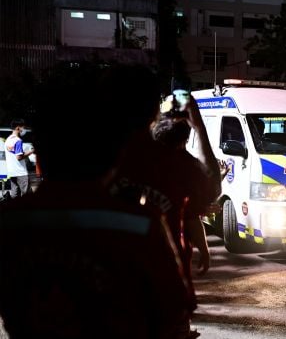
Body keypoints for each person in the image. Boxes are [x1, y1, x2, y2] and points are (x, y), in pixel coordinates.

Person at [0, 64, 192, 339]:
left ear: (39, 157)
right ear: (114, 156)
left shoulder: (8, 223)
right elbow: (172, 313)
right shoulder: (140, 226)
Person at [111, 90, 221, 331]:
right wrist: (198, 124)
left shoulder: (105, 157)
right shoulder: (175, 163)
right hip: (163, 289)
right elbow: (211, 186)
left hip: (106, 288)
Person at [151, 97, 226, 291]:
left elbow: (191, 215)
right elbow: (212, 187)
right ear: (184, 140)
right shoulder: (184, 168)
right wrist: (199, 127)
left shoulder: (129, 161)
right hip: (167, 275)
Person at [4, 119, 34, 198]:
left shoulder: (8, 140)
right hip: (21, 172)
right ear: (18, 128)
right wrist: (31, 151)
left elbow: (14, 154)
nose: (23, 130)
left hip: (12, 172)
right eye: (23, 127)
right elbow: (19, 157)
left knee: (15, 195)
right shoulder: (18, 140)